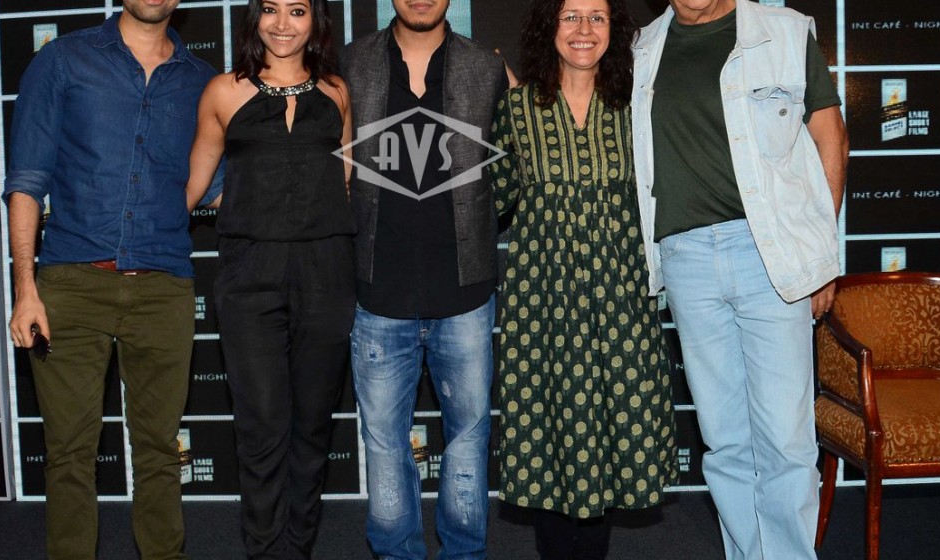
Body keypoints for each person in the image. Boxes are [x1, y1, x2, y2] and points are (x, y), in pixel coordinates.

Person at [3, 0, 221, 558]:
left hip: (164, 287)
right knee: (69, 452)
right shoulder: (62, 61)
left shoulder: (203, 81)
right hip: (70, 285)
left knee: (159, 449)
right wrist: (25, 289)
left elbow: (217, 186)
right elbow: (26, 180)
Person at [631, 0, 849, 558]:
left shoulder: (784, 32)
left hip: (768, 256)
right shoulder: (643, 48)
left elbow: (830, 135)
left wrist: (819, 252)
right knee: (726, 444)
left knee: (786, 442)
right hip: (685, 262)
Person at [489, 1, 677, 558]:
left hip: (620, 299)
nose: (584, 30)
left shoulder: (637, 106)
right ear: (550, 27)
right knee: (547, 436)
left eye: (597, 17)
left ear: (615, 30)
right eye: (571, 16)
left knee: (615, 432)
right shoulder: (517, 108)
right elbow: (492, 197)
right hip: (541, 303)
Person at [183, 1, 354, 558]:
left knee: (312, 428)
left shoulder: (336, 92)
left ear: (315, 21)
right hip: (248, 276)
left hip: (326, 273)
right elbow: (193, 186)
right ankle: (264, 550)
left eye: (297, 11)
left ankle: (296, 548)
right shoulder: (222, 91)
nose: (283, 24)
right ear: (254, 19)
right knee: (260, 429)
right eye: (271, 10)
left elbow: (344, 184)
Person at [340, 1, 510, 558]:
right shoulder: (351, 63)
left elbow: (516, 160)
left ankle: (465, 553)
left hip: (464, 294)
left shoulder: (486, 67)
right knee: (384, 445)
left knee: (469, 441)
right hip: (378, 294)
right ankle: (396, 553)